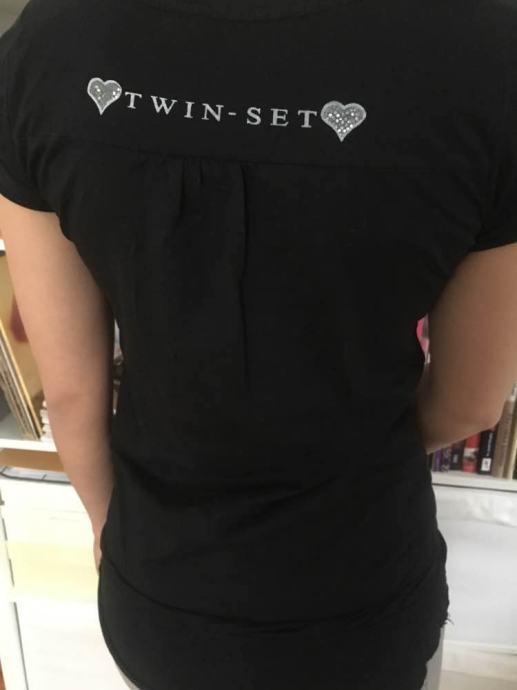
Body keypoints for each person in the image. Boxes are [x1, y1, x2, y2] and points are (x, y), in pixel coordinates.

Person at [1, 0, 517, 688]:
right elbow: (471, 403)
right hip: (365, 597)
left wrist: (108, 528)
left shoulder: (49, 39)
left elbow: (70, 393)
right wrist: (359, 441)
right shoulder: (487, 48)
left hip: (162, 590)